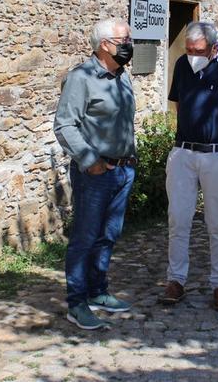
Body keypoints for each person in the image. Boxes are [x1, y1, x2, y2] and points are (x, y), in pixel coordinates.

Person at [161, 22, 218, 312]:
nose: (192, 55)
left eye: (198, 51)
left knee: (217, 223)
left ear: (214, 47)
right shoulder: (181, 64)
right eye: (189, 50)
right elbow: (178, 103)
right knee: (178, 219)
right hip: (184, 153)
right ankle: (176, 280)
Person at [53, 18, 137, 330]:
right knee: (85, 237)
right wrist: (91, 161)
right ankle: (76, 302)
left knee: (108, 235)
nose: (129, 43)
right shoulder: (82, 77)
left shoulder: (121, 75)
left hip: (123, 170)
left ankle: (98, 292)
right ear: (104, 45)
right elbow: (64, 124)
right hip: (96, 173)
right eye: (123, 38)